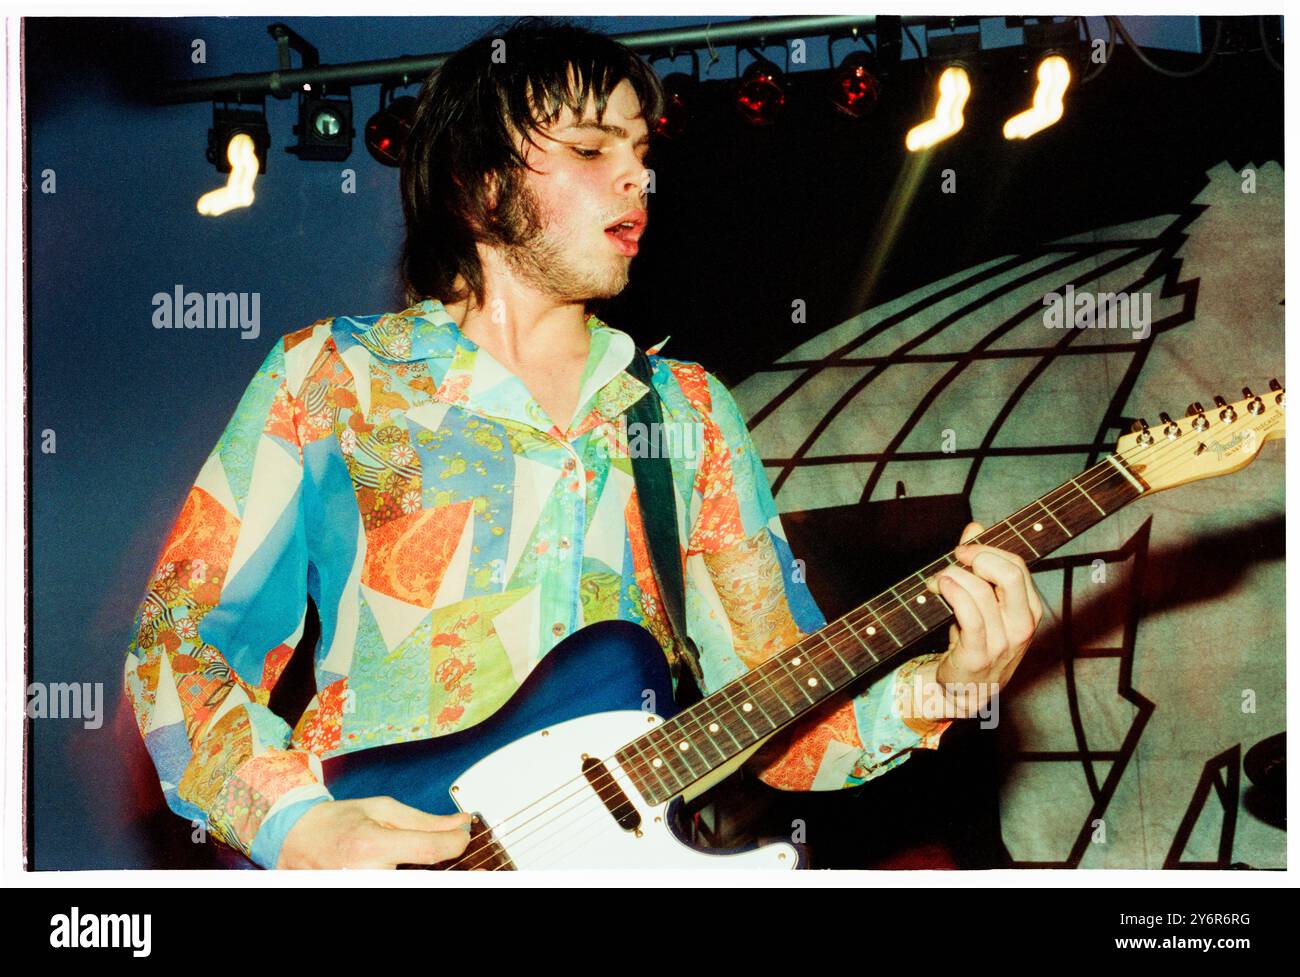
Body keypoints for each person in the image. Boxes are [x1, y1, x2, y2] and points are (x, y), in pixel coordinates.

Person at [124, 17, 1043, 870]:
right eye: (592, 149)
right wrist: (298, 823)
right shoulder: (334, 377)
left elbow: (780, 711)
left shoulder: (683, 412)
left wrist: (948, 686)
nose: (637, 179)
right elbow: (178, 646)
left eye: (643, 152)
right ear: (480, 188)